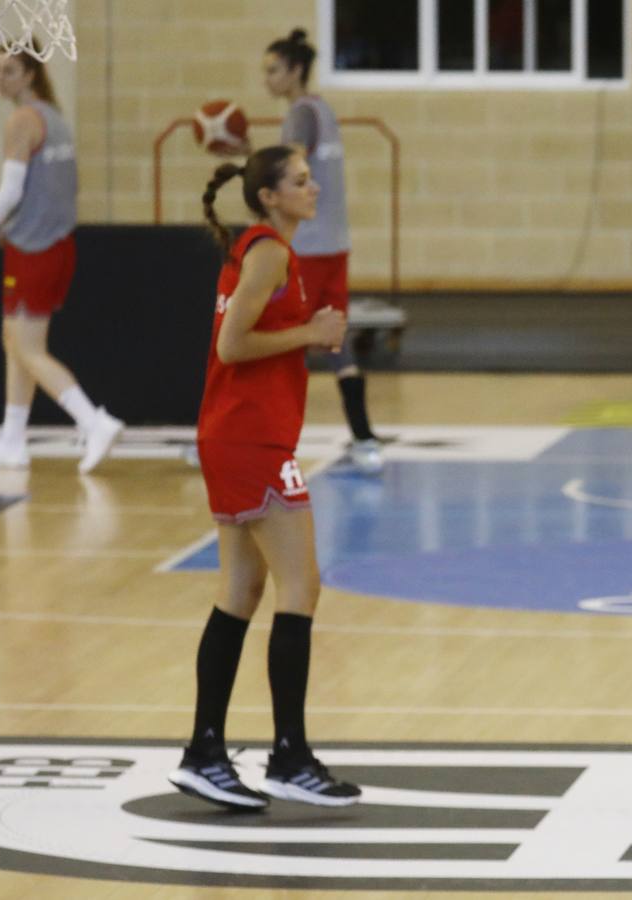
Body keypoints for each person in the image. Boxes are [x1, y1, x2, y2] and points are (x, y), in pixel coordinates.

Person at [168, 146, 361, 810]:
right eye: (301, 181)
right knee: (300, 585)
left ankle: (205, 751)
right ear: (271, 196)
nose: (315, 187)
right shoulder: (270, 252)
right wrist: (310, 332)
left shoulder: (263, 248)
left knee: (241, 590)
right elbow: (231, 347)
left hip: (235, 433)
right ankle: (289, 757)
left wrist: (305, 331)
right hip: (250, 438)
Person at [0, 50, 123, 474]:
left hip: (35, 248)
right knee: (17, 344)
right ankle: (11, 441)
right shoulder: (56, 118)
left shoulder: (22, 120)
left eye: (8, 70)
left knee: (26, 347)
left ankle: (94, 421)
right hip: (57, 245)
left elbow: (10, 191)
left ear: (30, 73)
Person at [263, 28, 384, 474]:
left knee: (278, 341)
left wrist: (250, 169)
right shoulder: (324, 110)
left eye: (274, 70)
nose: (268, 80)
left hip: (310, 248)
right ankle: (366, 439)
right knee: (338, 341)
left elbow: (289, 172)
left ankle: (260, 440)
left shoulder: (298, 114)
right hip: (337, 244)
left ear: (295, 71)